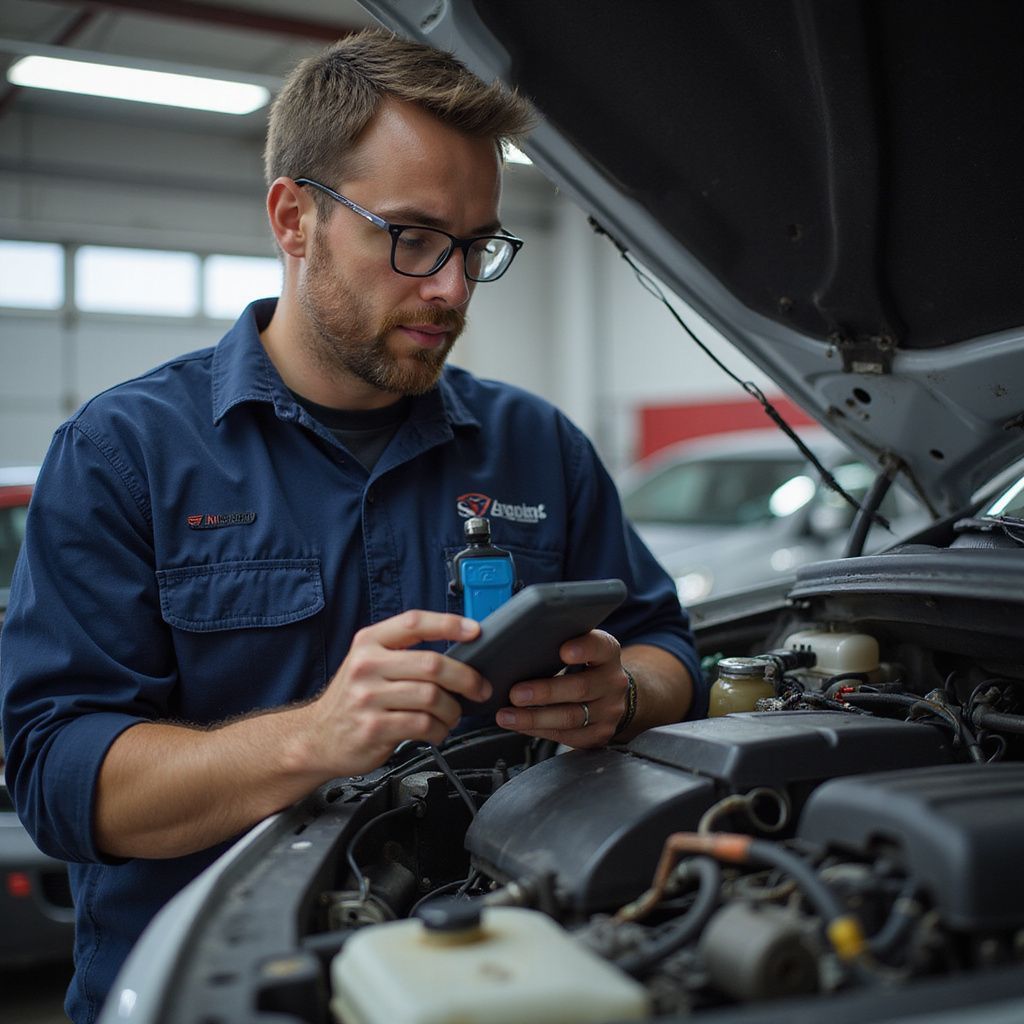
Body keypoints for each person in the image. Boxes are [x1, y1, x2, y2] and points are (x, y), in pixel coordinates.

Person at [0, 29, 704, 1022]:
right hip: (217, 992)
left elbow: (669, 644)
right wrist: (313, 738)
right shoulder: (124, 455)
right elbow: (62, 781)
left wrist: (623, 693)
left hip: (504, 973)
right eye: (412, 237)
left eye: (474, 247)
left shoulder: (536, 445)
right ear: (295, 219)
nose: (451, 288)